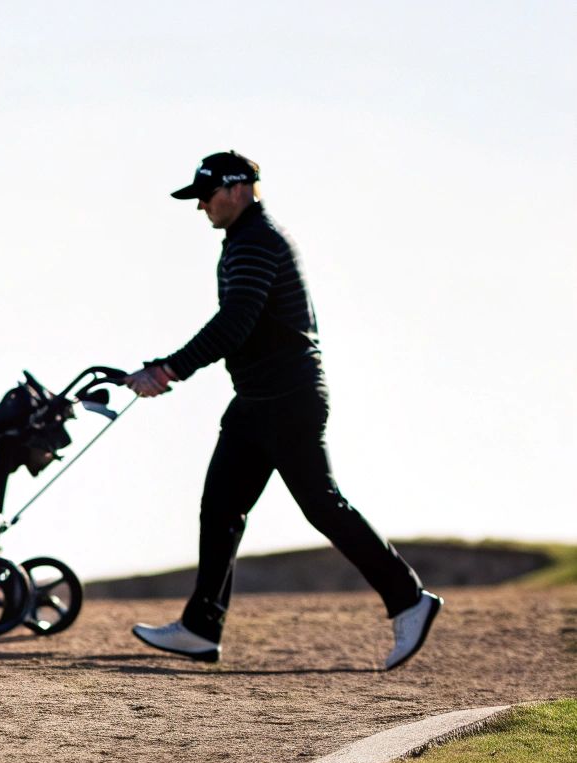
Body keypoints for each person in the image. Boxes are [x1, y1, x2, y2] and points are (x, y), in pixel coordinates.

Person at [122, 151, 440, 670]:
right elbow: (239, 325)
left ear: (238, 188)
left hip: (287, 400)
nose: (199, 206)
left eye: (205, 195)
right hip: (257, 402)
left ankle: (409, 599)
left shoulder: (257, 242)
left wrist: (167, 370)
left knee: (322, 505)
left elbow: (235, 324)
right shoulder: (243, 242)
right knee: (221, 507)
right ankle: (201, 627)